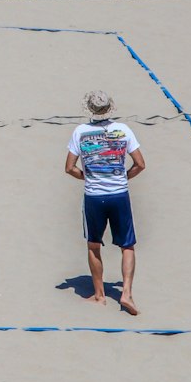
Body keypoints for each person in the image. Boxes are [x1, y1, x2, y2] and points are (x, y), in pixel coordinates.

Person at [64, 90, 145, 316]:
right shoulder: (123, 130)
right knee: (127, 245)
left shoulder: (80, 132)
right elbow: (140, 164)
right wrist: (122, 177)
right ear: (110, 108)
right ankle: (126, 292)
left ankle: (100, 296)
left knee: (93, 245)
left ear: (89, 109)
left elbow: (69, 168)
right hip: (119, 194)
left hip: (94, 196)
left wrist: (88, 177)